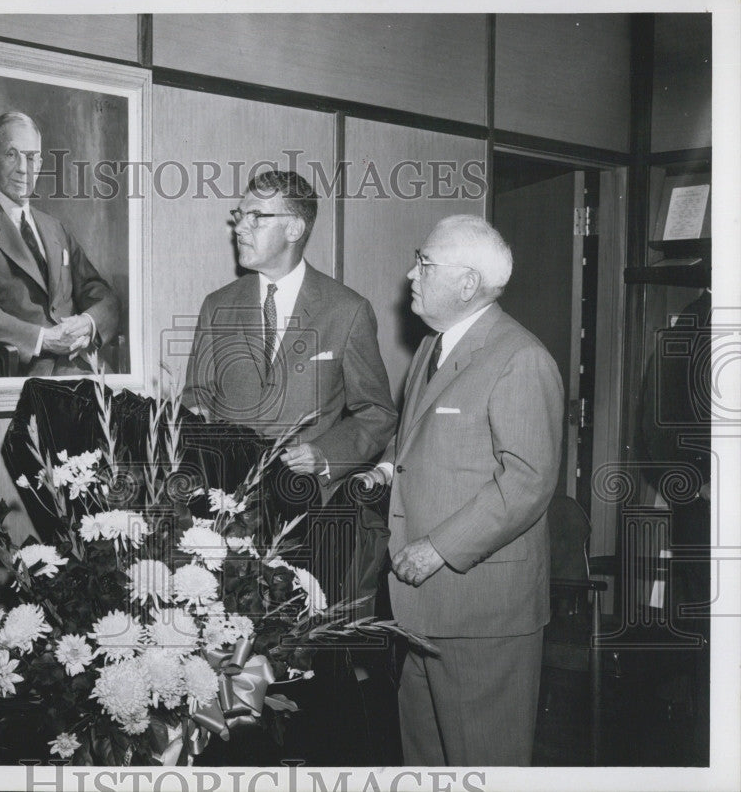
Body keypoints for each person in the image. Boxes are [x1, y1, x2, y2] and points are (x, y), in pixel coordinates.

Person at [358, 214, 564, 766]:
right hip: (418, 606)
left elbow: (528, 480)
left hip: (481, 614)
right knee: (425, 761)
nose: (410, 275)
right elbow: (418, 437)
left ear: (468, 283)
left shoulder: (520, 358)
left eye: (424, 263)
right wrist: (382, 468)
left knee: (483, 762)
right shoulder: (433, 347)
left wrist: (439, 548)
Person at [183, 170, 397, 490]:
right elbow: (196, 396)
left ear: (294, 228)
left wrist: (325, 454)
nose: (239, 227)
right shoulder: (217, 305)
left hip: (306, 502)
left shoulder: (347, 311)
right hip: (227, 497)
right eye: (240, 215)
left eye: (256, 216)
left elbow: (377, 413)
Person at [0, 111, 119, 377]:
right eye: (12, 154)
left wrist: (88, 323)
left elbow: (102, 293)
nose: (24, 167)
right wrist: (42, 338)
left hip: (85, 369)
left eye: (32, 157)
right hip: (23, 375)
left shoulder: (55, 228)